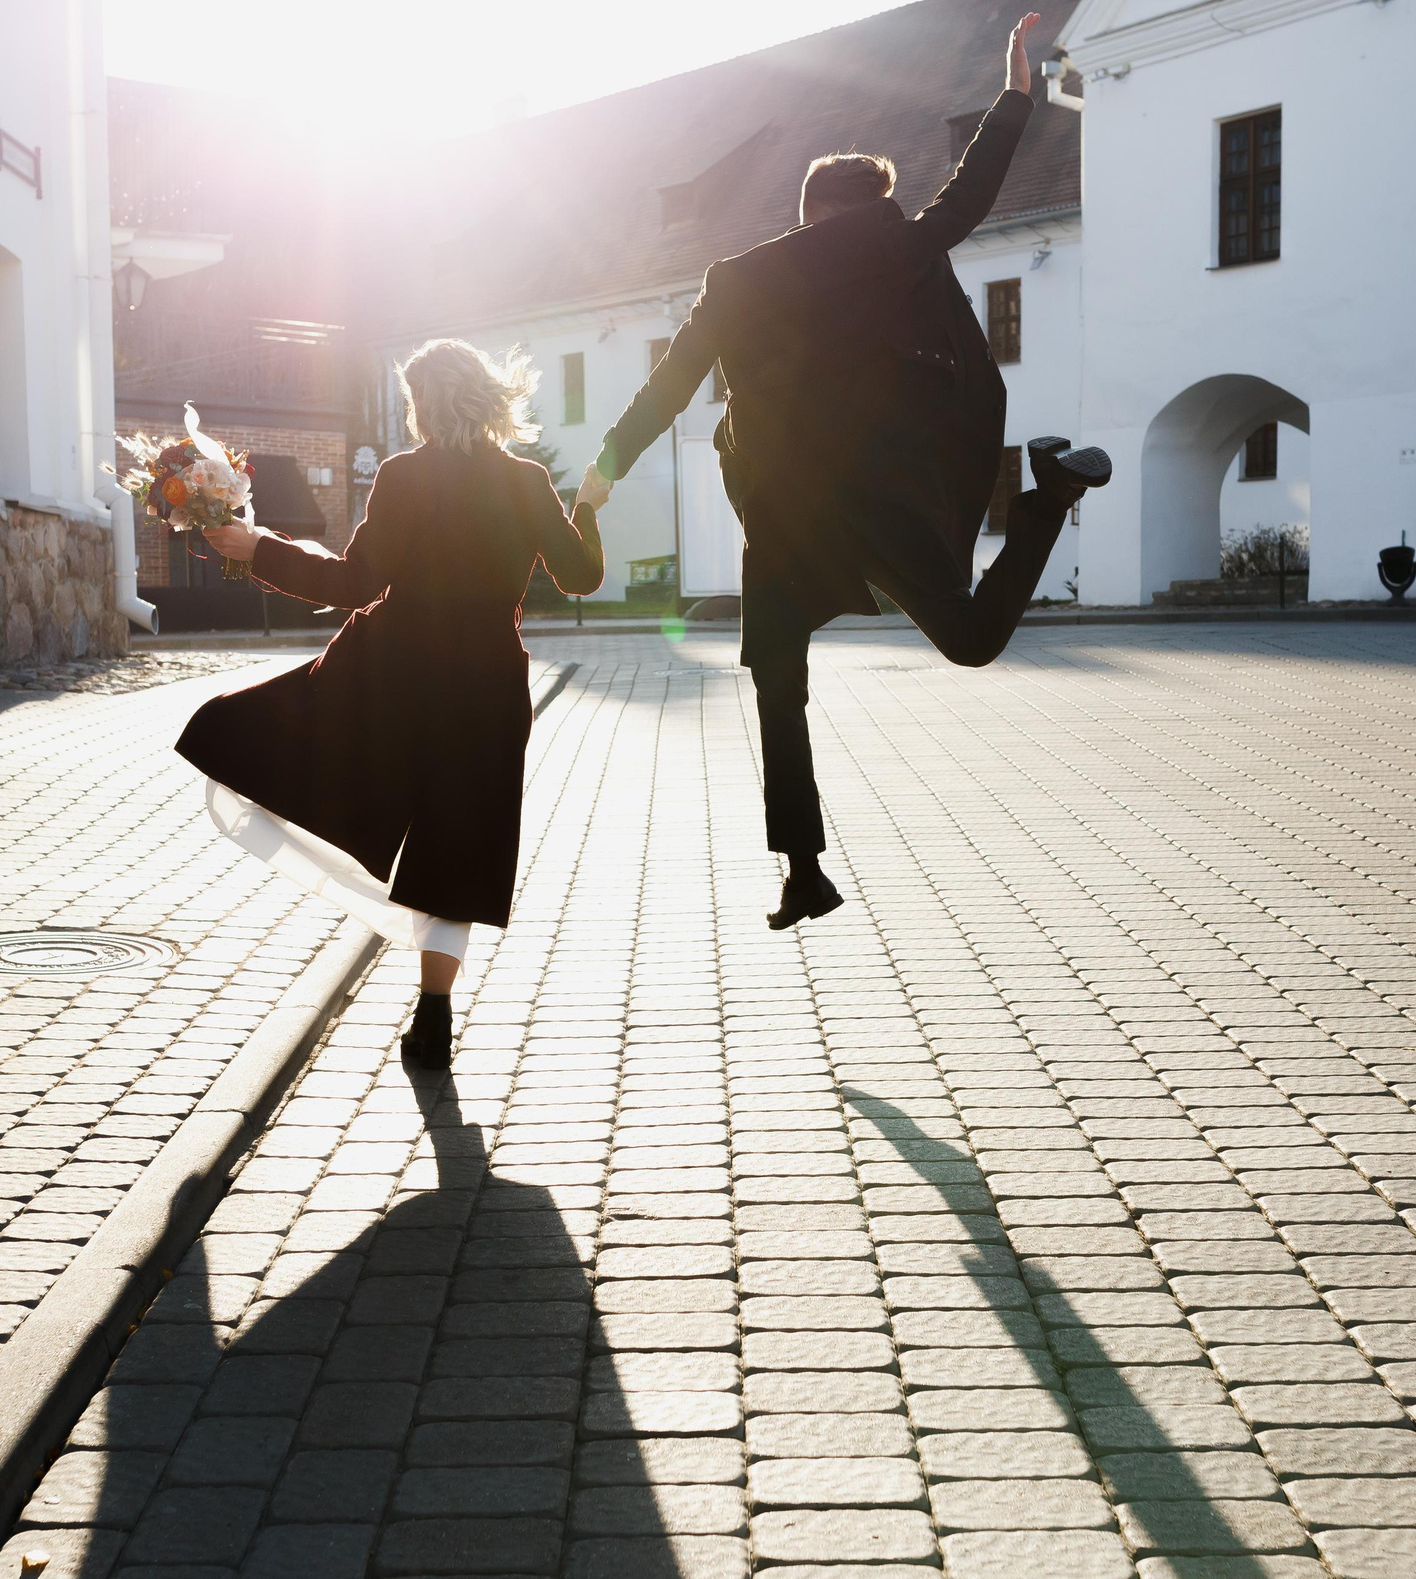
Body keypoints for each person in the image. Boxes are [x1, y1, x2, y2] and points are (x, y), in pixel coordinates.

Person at [581, 11, 1110, 933]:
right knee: (972, 640)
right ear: (869, 206)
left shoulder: (733, 279)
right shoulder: (895, 245)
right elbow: (968, 199)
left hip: (785, 519)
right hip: (884, 497)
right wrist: (1017, 95)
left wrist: (598, 478)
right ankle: (1050, 498)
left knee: (778, 690)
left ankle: (803, 866)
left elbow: (668, 386)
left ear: (805, 211)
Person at [181, 340, 608, 1070]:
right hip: (487, 689)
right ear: (483, 394)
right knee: (458, 850)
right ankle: (435, 1011)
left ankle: (423, 990)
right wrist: (587, 508)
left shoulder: (404, 476)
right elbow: (581, 576)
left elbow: (353, 583)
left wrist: (260, 548)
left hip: (394, 681)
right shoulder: (527, 481)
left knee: (259, 734)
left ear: (422, 403)